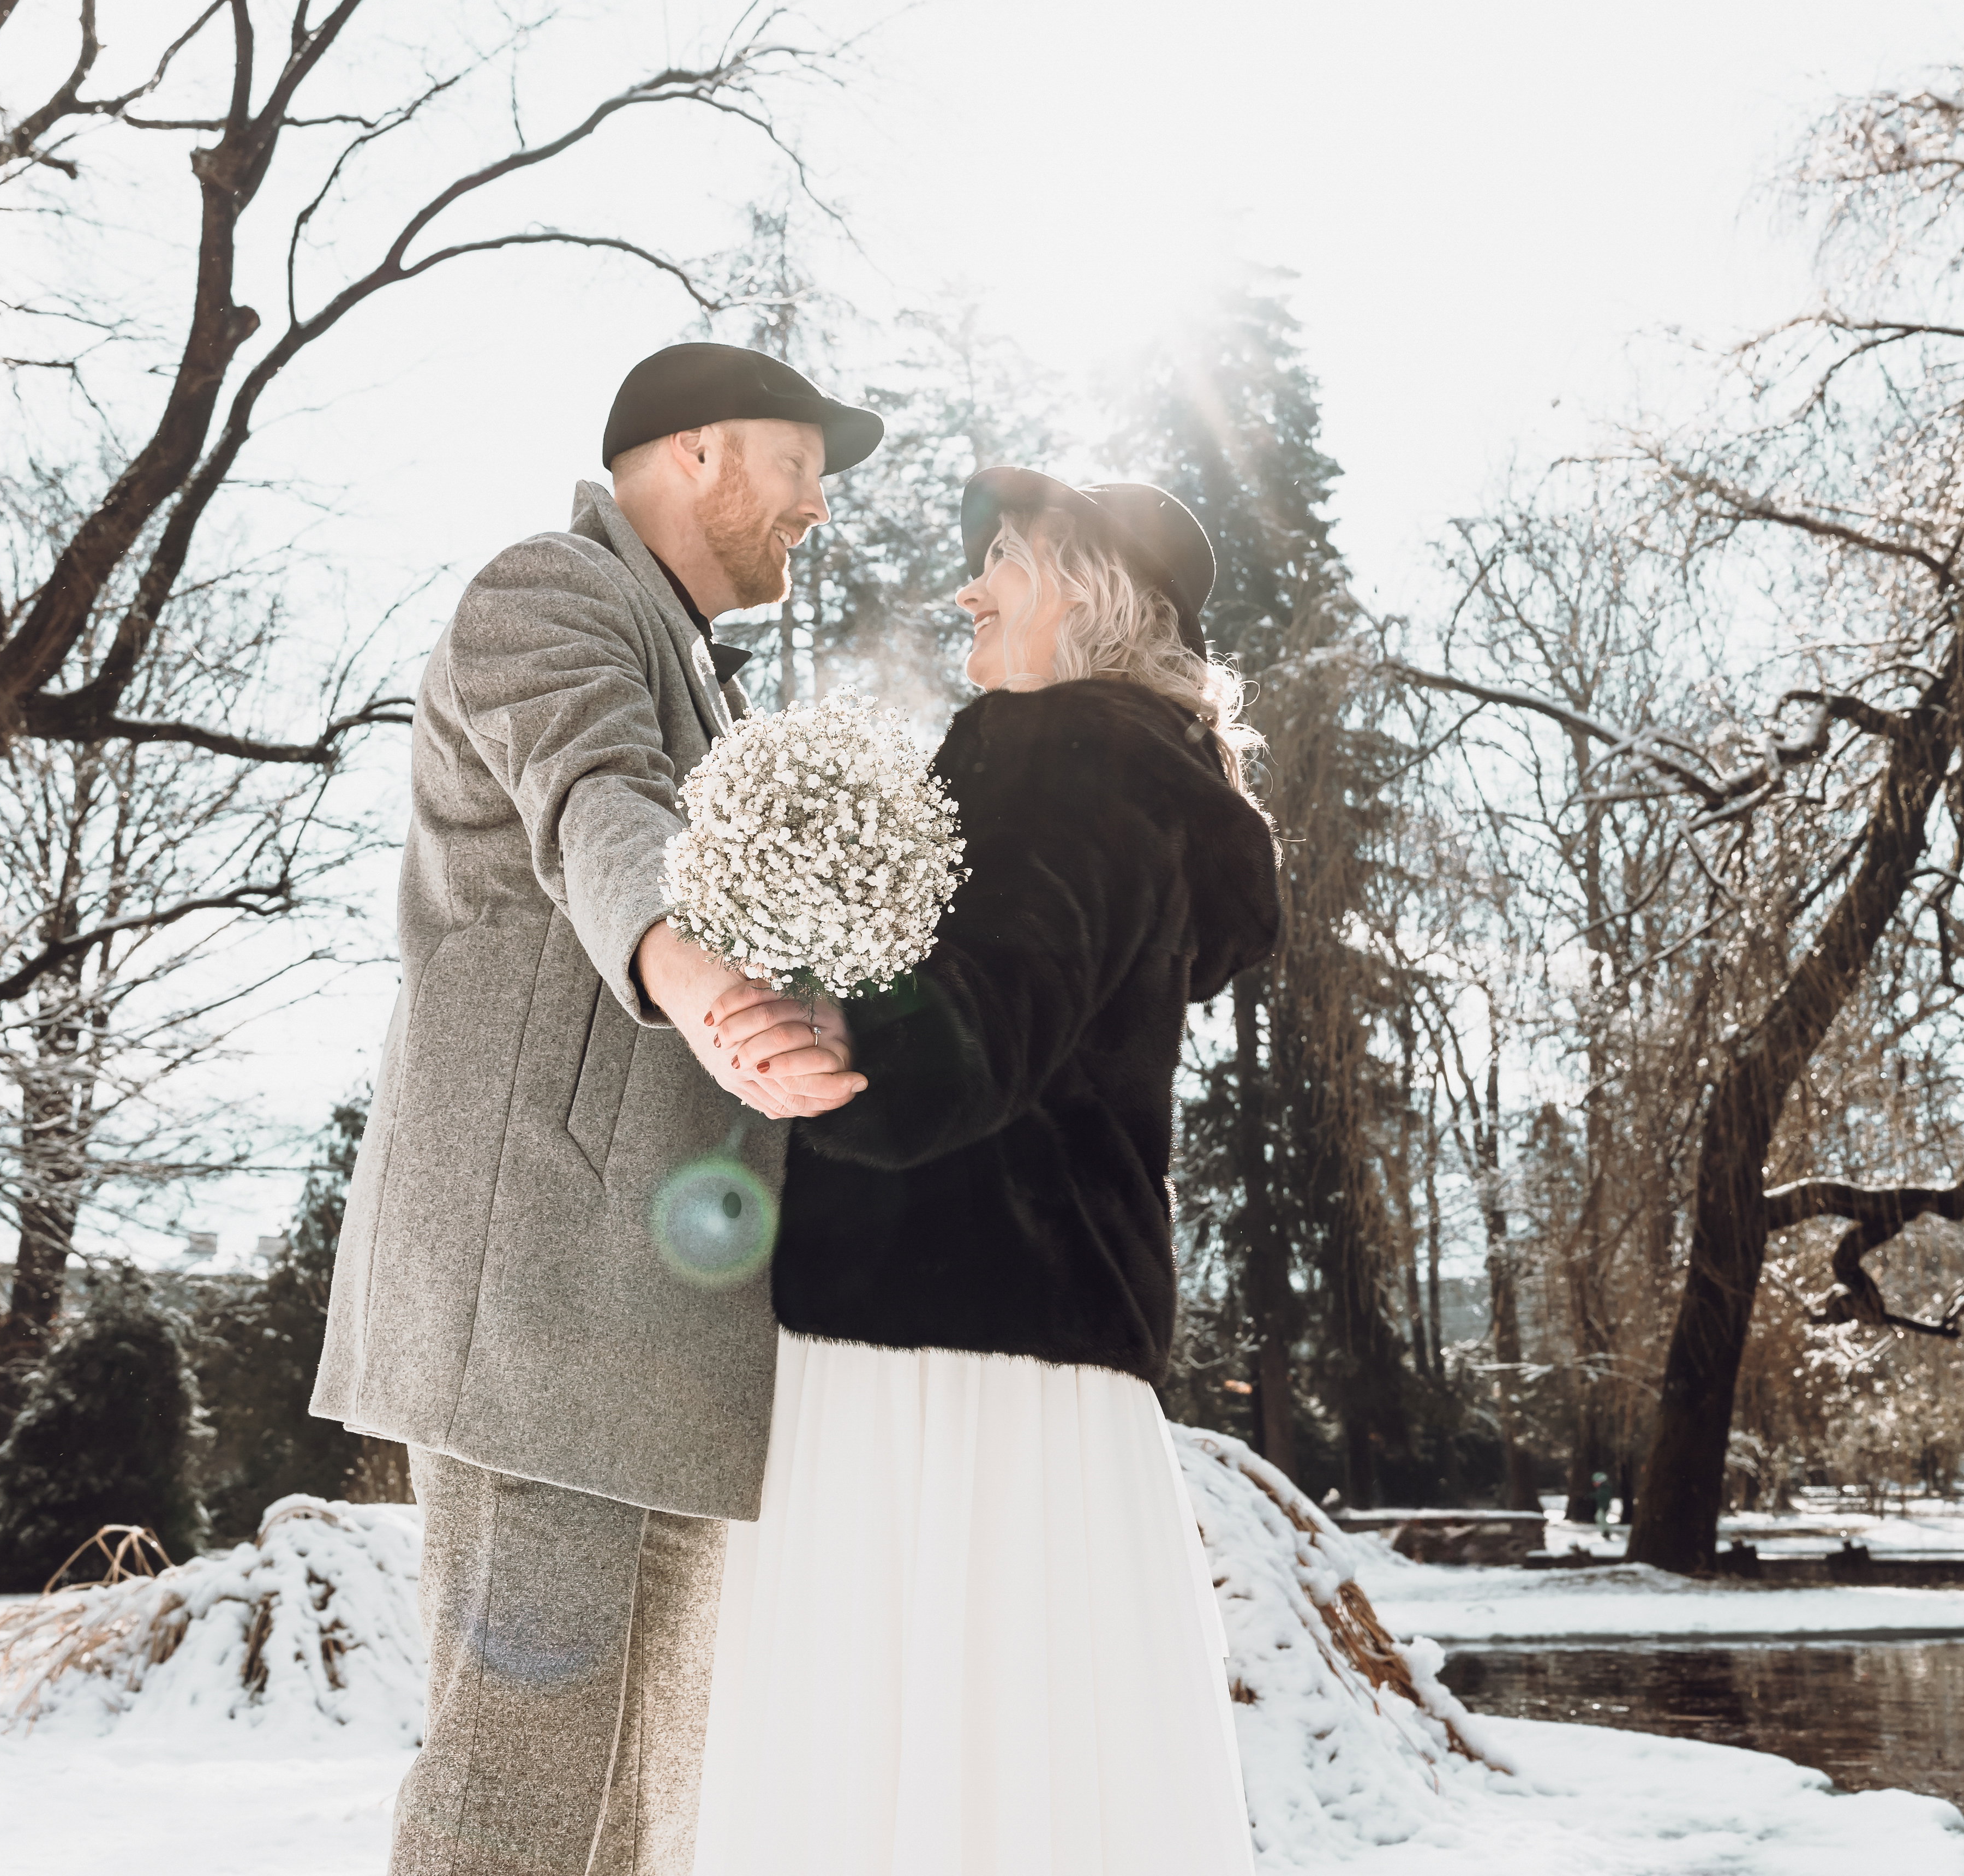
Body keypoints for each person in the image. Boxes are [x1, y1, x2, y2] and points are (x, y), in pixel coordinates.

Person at [311, 342, 875, 1875]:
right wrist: (705, 988)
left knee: (639, 1795)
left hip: (655, 1319)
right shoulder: (549, 591)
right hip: (545, 1290)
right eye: (801, 459)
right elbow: (594, 803)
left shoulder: (699, 661)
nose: (822, 504)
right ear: (695, 454)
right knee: (531, 1775)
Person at [690, 466, 1282, 1876]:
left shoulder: (1056, 751)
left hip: (933, 1350)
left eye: (1001, 560)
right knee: (1031, 1775)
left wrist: (842, 1042)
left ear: (1087, 592)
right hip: (1056, 1366)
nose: (968, 588)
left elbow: (1006, 998)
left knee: (883, 1767)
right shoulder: (1144, 775)